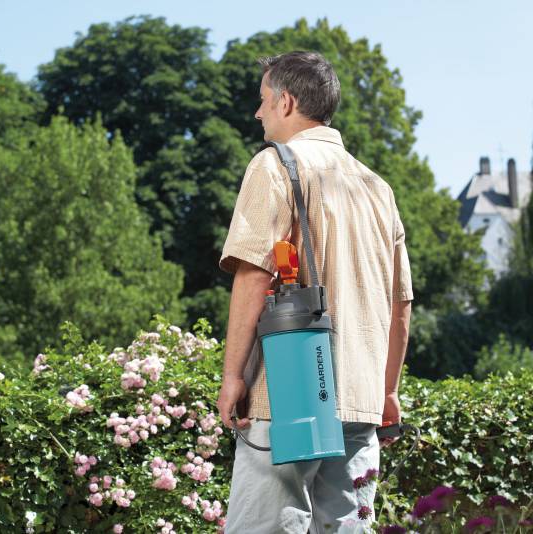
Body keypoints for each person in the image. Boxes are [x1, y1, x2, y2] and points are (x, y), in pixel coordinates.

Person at [216, 50, 413, 534]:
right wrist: (388, 391)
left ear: (285, 102)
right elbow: (400, 304)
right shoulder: (377, 187)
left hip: (289, 391)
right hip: (360, 397)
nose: (257, 113)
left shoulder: (274, 165)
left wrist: (233, 375)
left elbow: (254, 275)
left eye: (263, 100)